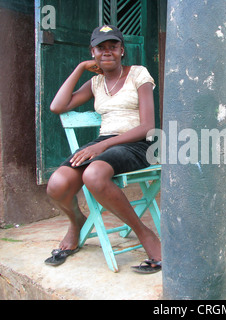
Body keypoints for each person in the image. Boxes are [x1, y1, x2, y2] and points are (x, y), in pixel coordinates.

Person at [44, 25, 161, 273]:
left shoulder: (139, 74)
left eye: (113, 47)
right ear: (93, 52)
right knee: (57, 184)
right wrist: (80, 68)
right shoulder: (95, 82)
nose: (107, 52)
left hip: (138, 144)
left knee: (93, 174)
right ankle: (76, 222)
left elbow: (148, 126)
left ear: (122, 51)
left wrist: (103, 146)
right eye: (101, 48)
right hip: (103, 145)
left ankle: (145, 234)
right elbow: (57, 106)